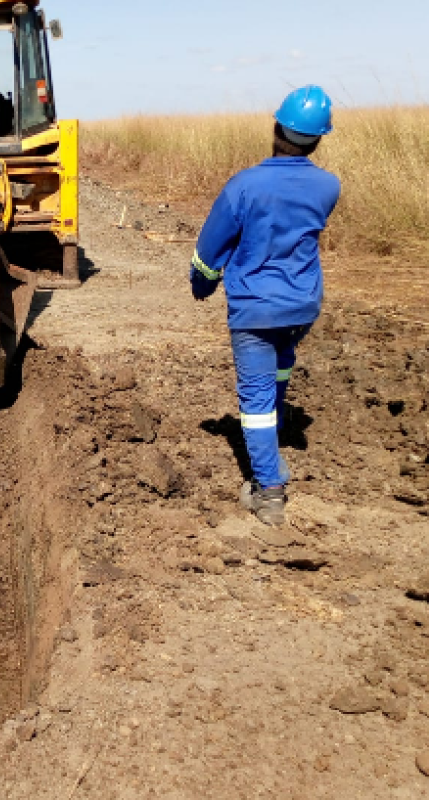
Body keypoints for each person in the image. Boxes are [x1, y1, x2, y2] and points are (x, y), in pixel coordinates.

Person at [190, 85, 341, 526]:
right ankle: (273, 433)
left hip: (256, 308)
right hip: (302, 306)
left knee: (254, 399)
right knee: (279, 369)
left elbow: (209, 249)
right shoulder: (328, 186)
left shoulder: (245, 186)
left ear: (276, 127)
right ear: (317, 139)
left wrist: (203, 282)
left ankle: (269, 491)